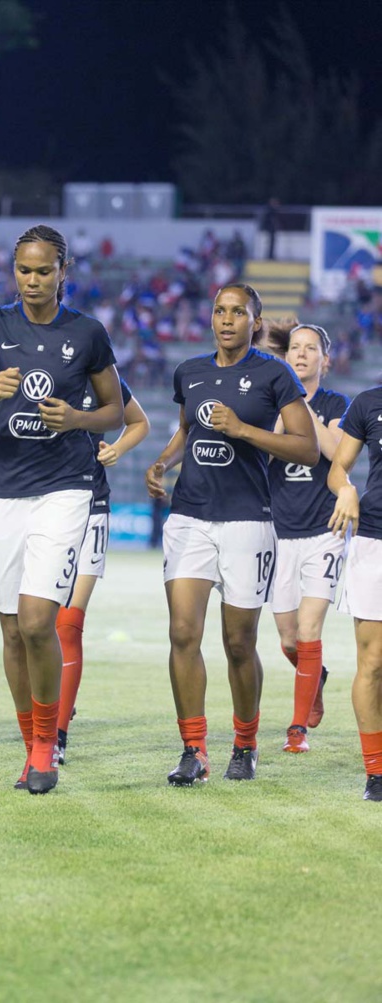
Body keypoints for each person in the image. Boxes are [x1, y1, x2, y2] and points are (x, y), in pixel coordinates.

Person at [0, 223, 123, 795]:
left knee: (39, 620)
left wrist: (77, 419)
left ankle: (46, 745)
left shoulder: (88, 333)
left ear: (63, 272)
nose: (34, 280)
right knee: (12, 631)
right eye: (24, 270)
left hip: (65, 489)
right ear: (13, 272)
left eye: (44, 271)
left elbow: (116, 410)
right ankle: (31, 746)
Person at [145, 283, 319, 786]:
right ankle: (193, 750)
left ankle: (245, 744)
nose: (226, 319)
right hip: (189, 517)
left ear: (254, 320)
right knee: (182, 632)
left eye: (237, 312)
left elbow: (306, 448)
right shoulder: (191, 372)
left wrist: (243, 430)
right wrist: (162, 461)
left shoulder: (275, 373)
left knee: (239, 642)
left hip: (247, 520)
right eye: (220, 311)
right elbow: (187, 429)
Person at [56, 378, 150, 764]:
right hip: (35, 505)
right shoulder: (30, 365)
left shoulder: (99, 374)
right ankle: (54, 703)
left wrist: (116, 450)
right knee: (31, 627)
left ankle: (56, 735)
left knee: (67, 624)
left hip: (90, 507)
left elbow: (139, 421)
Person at [267, 324, 349, 752]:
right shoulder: (270, 403)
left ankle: (297, 731)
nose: (301, 355)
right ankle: (315, 675)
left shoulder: (336, 404)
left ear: (324, 359)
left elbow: (336, 450)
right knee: (287, 638)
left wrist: (301, 408)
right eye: (295, 348)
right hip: (280, 534)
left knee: (309, 628)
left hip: (324, 531)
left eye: (310, 349)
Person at [328, 383, 382, 802]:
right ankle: (377, 774)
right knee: (373, 663)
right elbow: (337, 469)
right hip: (375, 542)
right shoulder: (368, 402)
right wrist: (346, 489)